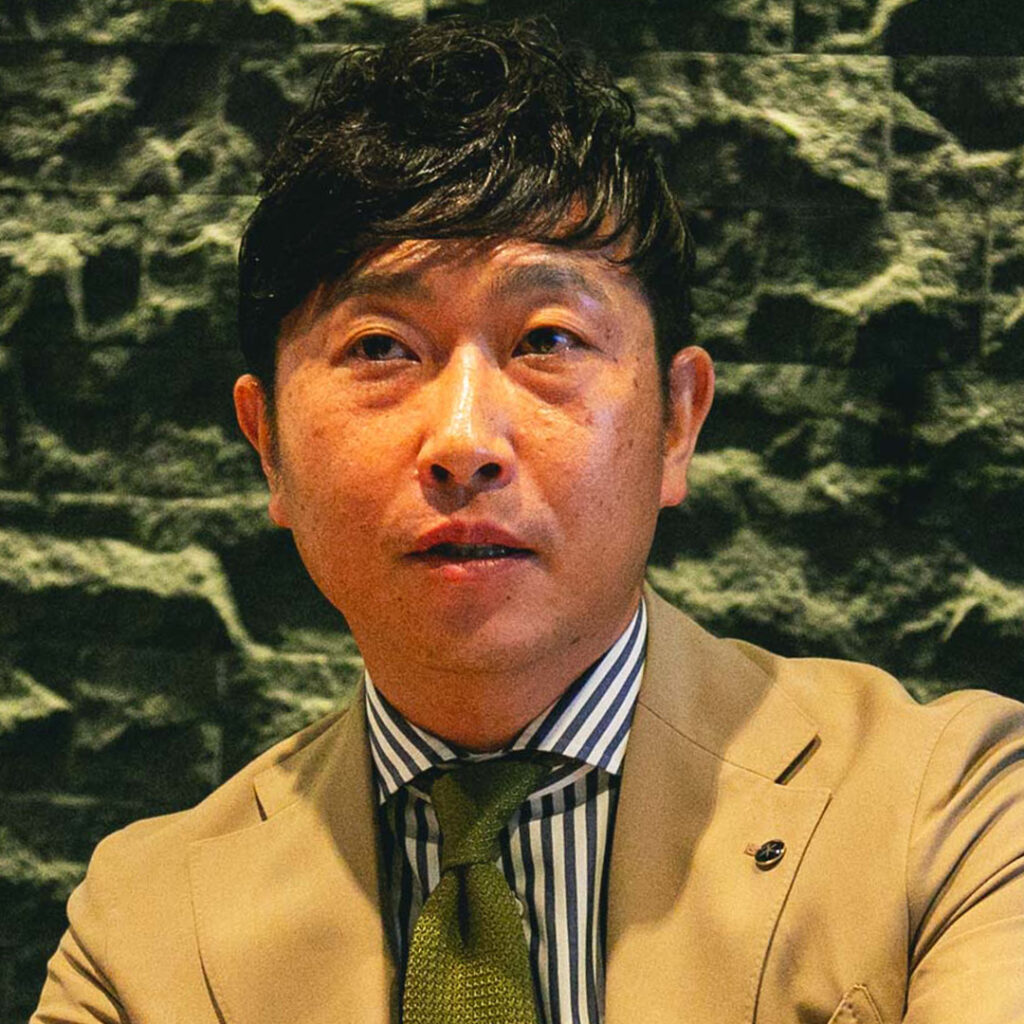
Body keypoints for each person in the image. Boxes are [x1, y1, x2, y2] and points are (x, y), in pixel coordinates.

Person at [33, 18, 1024, 1024]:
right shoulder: (141, 934)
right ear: (268, 445)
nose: (464, 439)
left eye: (546, 338)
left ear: (677, 421)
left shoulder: (950, 809)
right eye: (380, 347)